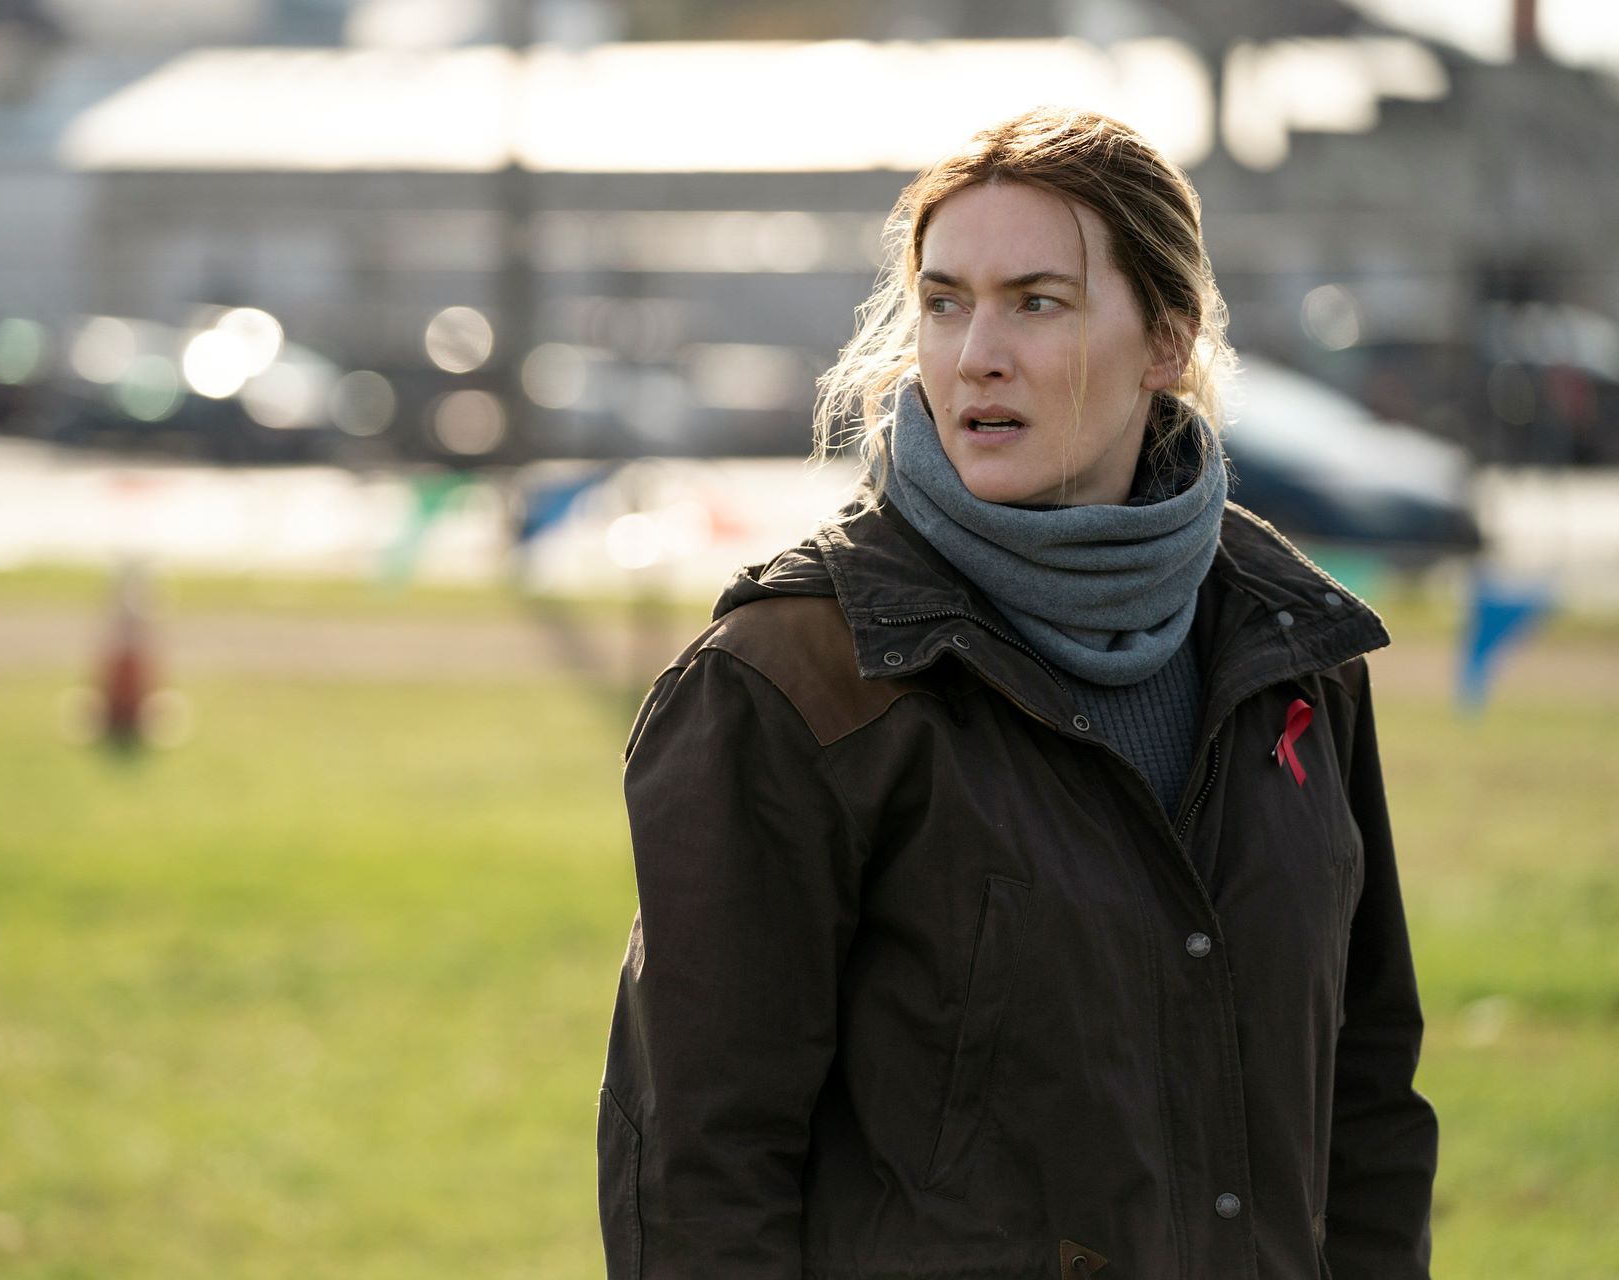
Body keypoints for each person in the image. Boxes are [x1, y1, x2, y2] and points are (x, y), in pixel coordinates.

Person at [598, 107, 1436, 1279]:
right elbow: (697, 1169)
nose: (973, 352)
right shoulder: (794, 681)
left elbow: (1367, 1093)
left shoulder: (1292, 644)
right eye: (944, 302)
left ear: (1166, 341)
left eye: (1036, 300)